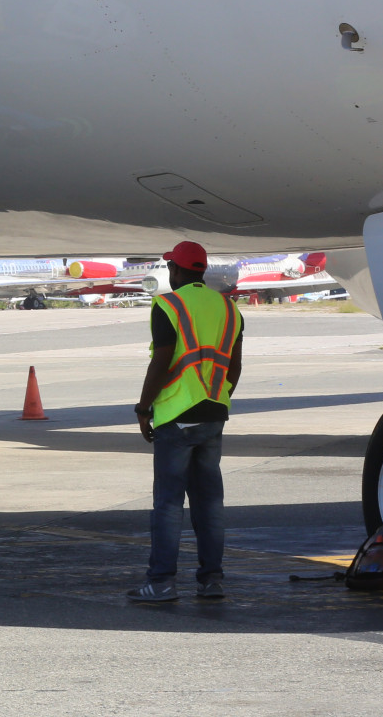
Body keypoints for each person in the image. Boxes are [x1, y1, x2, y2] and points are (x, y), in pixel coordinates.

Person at [129, 240, 245, 603]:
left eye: (170, 267)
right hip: (214, 414)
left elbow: (162, 361)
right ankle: (212, 581)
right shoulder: (229, 308)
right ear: (202, 270)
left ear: (176, 269)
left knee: (167, 504)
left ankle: (161, 583)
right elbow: (234, 365)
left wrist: (143, 408)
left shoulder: (169, 305)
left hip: (176, 417)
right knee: (209, 503)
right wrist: (219, 396)